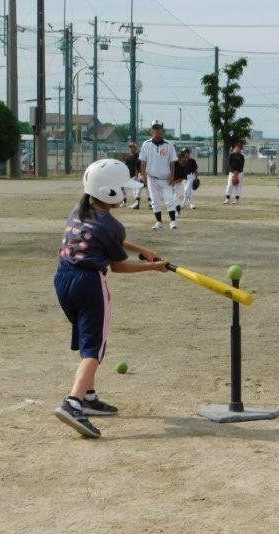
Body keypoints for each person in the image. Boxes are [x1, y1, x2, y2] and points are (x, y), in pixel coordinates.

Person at [53, 159, 168, 438]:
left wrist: (141, 249)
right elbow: (118, 266)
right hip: (89, 283)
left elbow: (104, 239)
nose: (125, 193)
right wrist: (152, 268)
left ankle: (89, 397)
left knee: (86, 337)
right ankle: (73, 402)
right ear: (110, 191)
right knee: (94, 347)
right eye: (122, 188)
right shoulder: (112, 225)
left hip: (63, 279)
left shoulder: (79, 210)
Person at [139, 119, 179, 230]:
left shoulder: (169, 145)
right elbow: (143, 161)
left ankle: (172, 221)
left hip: (166, 179)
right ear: (151, 130)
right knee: (154, 201)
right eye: (154, 129)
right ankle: (159, 222)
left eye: (159, 129)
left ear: (163, 130)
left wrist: (172, 176)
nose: (157, 131)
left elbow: (172, 162)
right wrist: (144, 177)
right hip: (151, 178)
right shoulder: (146, 144)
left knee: (169, 200)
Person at [224, 140, 246, 204]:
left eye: (240, 148)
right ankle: (227, 199)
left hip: (240, 173)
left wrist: (237, 172)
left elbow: (242, 165)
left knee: (238, 185)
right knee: (230, 185)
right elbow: (229, 164)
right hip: (232, 172)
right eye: (238, 148)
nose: (239, 149)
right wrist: (233, 171)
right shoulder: (231, 155)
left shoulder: (241, 156)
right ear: (235, 147)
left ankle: (236, 199)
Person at [124, 141, 144, 209]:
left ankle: (137, 204)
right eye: (130, 147)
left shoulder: (139, 156)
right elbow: (126, 167)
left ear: (136, 148)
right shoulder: (127, 157)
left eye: (133, 147)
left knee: (136, 191)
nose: (131, 148)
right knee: (124, 188)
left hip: (136, 175)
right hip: (129, 176)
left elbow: (139, 166)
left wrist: (138, 175)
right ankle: (124, 202)